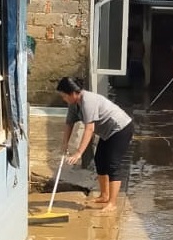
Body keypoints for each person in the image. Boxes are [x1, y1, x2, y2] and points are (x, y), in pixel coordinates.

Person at [57, 77, 135, 211]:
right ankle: (104, 195)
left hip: (121, 128)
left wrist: (79, 153)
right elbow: (69, 124)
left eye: (64, 96)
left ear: (73, 93)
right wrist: (64, 144)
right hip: (107, 133)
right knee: (100, 159)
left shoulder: (88, 101)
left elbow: (90, 129)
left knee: (113, 164)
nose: (64, 99)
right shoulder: (73, 105)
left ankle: (112, 203)